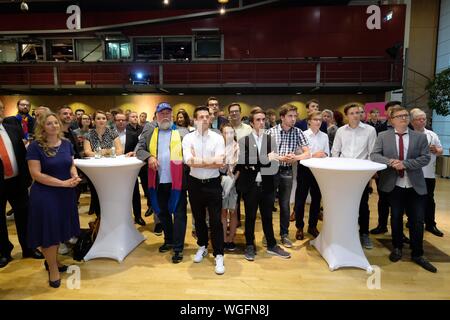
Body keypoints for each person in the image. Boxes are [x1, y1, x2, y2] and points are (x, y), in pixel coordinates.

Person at [370, 105, 436, 273]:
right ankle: (397, 248)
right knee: (396, 217)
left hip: (415, 185)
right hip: (394, 184)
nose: (404, 118)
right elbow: (375, 155)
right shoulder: (383, 136)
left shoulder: (419, 137)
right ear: (391, 120)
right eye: (399, 116)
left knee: (417, 220)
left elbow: (425, 158)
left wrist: (405, 164)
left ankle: (418, 253)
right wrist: (391, 162)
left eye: (406, 115)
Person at [26, 112, 81, 287]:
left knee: (58, 229)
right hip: (45, 195)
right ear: (42, 127)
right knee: (49, 231)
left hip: (65, 193)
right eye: (49, 123)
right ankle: (53, 268)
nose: (54, 126)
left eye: (55, 123)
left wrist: (74, 176)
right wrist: (63, 183)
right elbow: (36, 174)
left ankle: (53, 261)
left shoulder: (66, 143)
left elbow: (71, 164)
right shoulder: (35, 147)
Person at [235, 107, 290, 260]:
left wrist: (258, 161)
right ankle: (249, 245)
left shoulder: (270, 140)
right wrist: (266, 158)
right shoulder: (243, 140)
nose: (261, 122)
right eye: (258, 120)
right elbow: (245, 161)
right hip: (250, 185)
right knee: (250, 217)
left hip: (267, 185)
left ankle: (272, 245)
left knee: (267, 217)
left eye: (263, 119)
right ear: (252, 123)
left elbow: (271, 164)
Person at [136, 103, 189, 263]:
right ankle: (169, 240)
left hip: (177, 182)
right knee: (163, 213)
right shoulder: (150, 131)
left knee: (179, 215)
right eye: (162, 113)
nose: (165, 116)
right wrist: (149, 157)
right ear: (156, 116)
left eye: (168, 113)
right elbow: (139, 149)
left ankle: (178, 248)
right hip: (158, 182)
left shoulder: (182, 133)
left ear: (172, 115)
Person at [1, 101, 44, 269]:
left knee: (24, 216)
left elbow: (21, 153)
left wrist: (27, 178)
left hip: (17, 180)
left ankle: (28, 247)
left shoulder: (12, 128)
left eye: (0, 108)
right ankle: (4, 252)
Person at [182, 106, 226, 275]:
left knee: (215, 221)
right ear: (194, 120)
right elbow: (188, 161)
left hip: (213, 183)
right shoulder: (187, 138)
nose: (205, 119)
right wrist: (210, 161)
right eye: (201, 117)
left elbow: (220, 162)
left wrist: (198, 160)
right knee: (199, 219)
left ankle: (219, 254)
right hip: (194, 184)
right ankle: (202, 246)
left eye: (207, 116)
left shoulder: (217, 138)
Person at [331, 104, 377, 249]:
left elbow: (372, 153)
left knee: (362, 205)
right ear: (347, 115)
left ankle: (364, 234)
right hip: (343, 173)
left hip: (361, 174)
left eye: (358, 112)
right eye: (352, 113)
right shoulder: (341, 131)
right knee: (344, 204)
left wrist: (369, 173)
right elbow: (335, 152)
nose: (355, 115)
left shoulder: (370, 130)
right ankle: (344, 232)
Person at [267, 103, 310, 248]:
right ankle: (269, 235)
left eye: (295, 116)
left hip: (287, 171)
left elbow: (307, 153)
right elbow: (265, 154)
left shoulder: (298, 132)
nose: (293, 119)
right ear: (282, 117)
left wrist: (295, 158)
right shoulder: (270, 132)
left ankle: (284, 234)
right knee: (268, 203)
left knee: (285, 205)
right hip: (271, 170)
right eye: (290, 116)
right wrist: (280, 157)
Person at [294, 111, 329, 240]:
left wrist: (322, 155)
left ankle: (312, 226)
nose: (318, 122)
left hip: (319, 171)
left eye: (320, 120)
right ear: (309, 121)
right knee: (300, 200)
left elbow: (327, 154)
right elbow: (298, 153)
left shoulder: (324, 136)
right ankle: (299, 227)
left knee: (316, 200)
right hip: (304, 170)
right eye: (315, 119)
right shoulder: (302, 135)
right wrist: (314, 155)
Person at [410, 108, 444, 237]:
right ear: (412, 121)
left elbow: (440, 150)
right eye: (419, 119)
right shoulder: (408, 134)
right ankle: (412, 221)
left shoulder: (431, 134)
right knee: (412, 199)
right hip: (413, 172)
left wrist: (436, 149)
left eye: (424, 119)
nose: (423, 121)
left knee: (429, 199)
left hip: (428, 173)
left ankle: (431, 224)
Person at [115, 112, 146, 226]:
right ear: (115, 121)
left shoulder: (132, 132)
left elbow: (136, 147)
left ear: (126, 121)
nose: (121, 122)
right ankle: (121, 218)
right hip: (115, 166)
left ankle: (137, 216)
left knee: (135, 192)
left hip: (129, 166)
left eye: (123, 120)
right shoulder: (110, 133)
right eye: (118, 120)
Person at [219, 123, 239, 251]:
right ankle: (223, 239)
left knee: (233, 212)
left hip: (235, 183)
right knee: (222, 211)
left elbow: (240, 168)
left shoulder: (238, 147)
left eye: (231, 132)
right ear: (222, 134)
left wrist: (233, 181)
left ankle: (231, 238)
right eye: (226, 133)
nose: (229, 135)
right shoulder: (218, 147)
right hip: (221, 181)